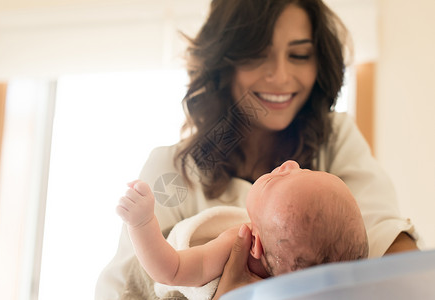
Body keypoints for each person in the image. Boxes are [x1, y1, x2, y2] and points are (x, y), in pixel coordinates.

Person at [95, 0, 419, 299]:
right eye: (257, 54)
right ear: (224, 63)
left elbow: (386, 240)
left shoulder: (335, 138)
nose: (279, 76)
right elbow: (126, 286)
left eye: (299, 55)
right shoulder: (173, 169)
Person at [116, 160, 368, 299]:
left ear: (254, 242)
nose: (289, 164)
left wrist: (142, 223)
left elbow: (172, 270)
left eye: (273, 180)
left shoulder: (235, 243)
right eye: (306, 169)